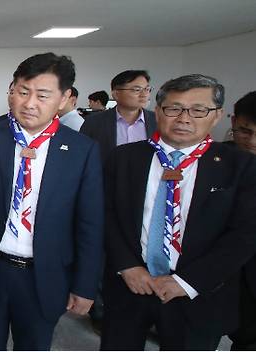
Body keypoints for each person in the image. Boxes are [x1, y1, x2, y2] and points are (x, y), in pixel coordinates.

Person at [101, 74, 256, 350]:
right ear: (158, 111)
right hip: (131, 285)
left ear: (218, 115)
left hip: (196, 293)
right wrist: (127, 265)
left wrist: (187, 282)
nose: (184, 118)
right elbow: (106, 215)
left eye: (198, 110)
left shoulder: (240, 167)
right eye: (174, 108)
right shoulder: (123, 158)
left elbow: (245, 234)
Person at [0, 52, 104, 350]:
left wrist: (85, 285)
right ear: (12, 92)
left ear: (64, 98)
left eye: (42, 95)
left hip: (44, 275)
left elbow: (90, 224)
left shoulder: (82, 151)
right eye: (22, 92)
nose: (30, 103)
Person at [226, 91, 256, 350]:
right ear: (233, 122)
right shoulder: (216, 161)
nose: (253, 141)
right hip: (226, 277)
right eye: (245, 131)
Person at [80, 70, 156, 162]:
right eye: (137, 90)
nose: (144, 95)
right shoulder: (94, 122)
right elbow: (82, 156)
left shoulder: (157, 121)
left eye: (147, 89)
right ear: (116, 94)